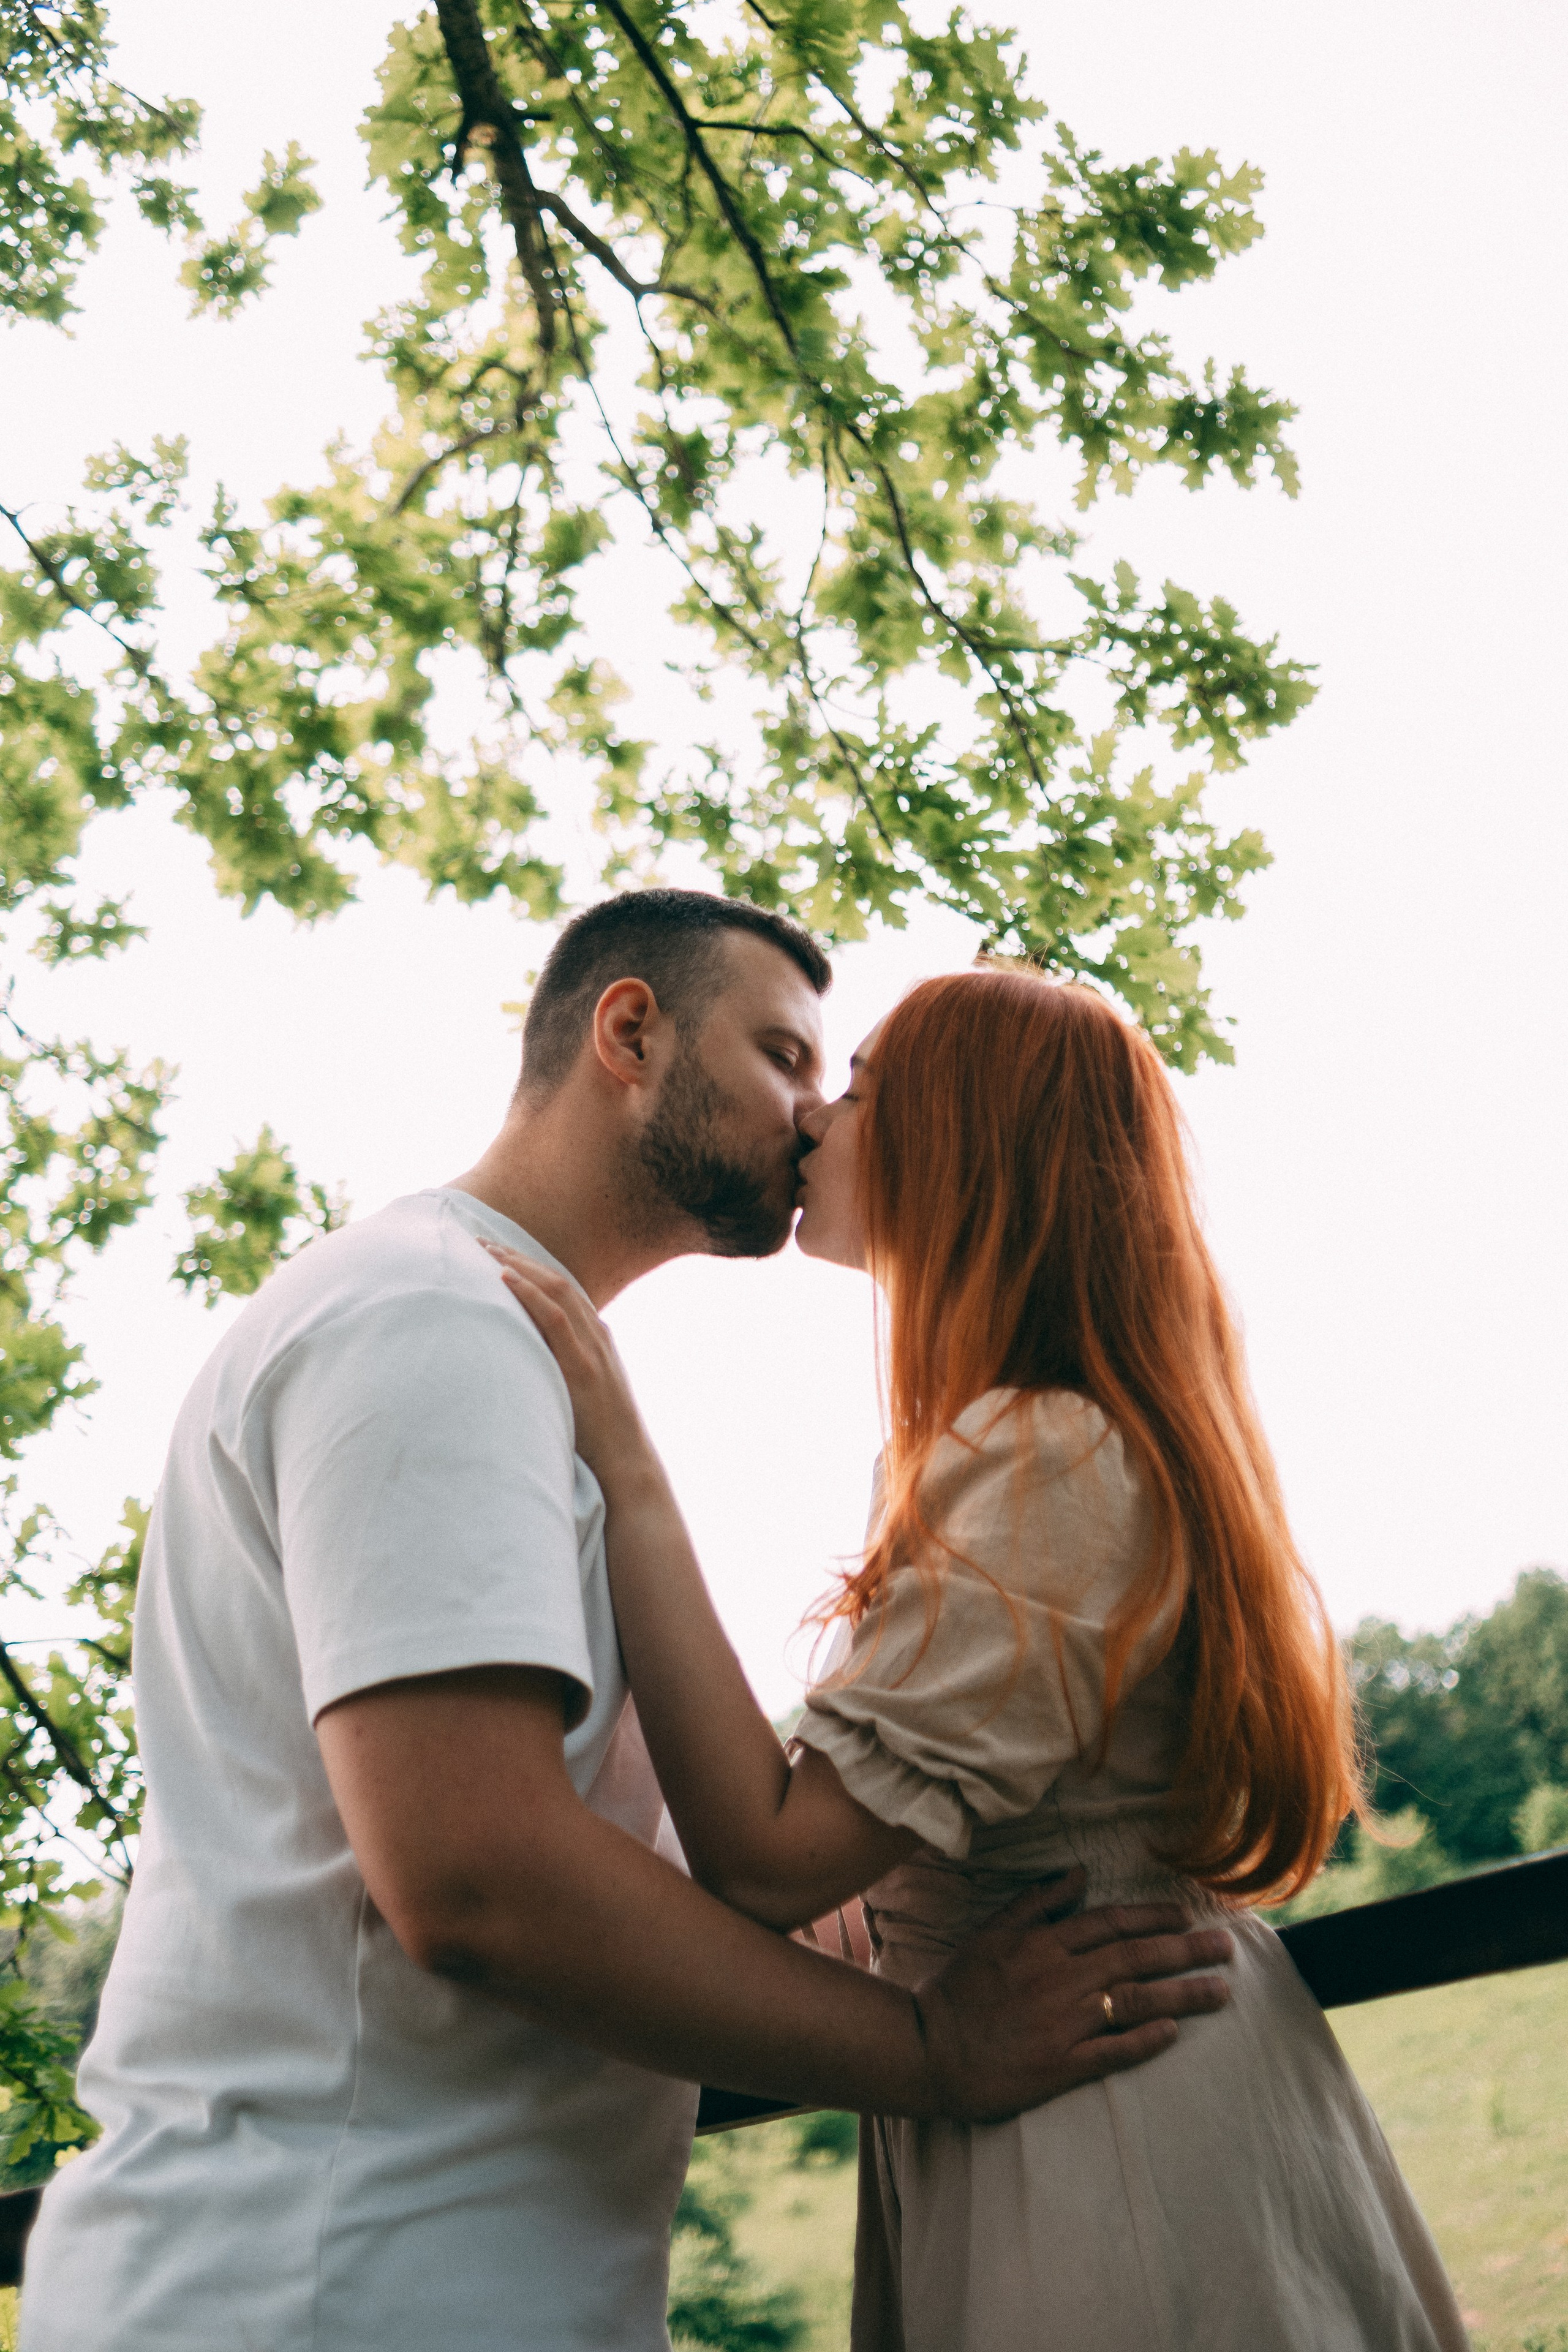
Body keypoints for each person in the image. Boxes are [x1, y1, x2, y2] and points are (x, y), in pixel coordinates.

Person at [20, 895, 1232, 2352]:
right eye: (788, 1056)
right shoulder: (432, 1321)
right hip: (326, 2281)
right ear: (631, 1031)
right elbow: (476, 1876)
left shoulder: (501, 1352)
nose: (812, 1116)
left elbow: (611, 1832)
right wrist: (922, 2046)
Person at [492, 961, 1471, 2352]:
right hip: (1076, 2091)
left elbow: (770, 1858)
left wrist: (628, 1473)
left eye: (867, 1084)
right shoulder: (1028, 1445)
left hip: (1110, 2131)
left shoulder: (1041, 1456)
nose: (818, 1116)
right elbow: (879, 1859)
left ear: (969, 1139)